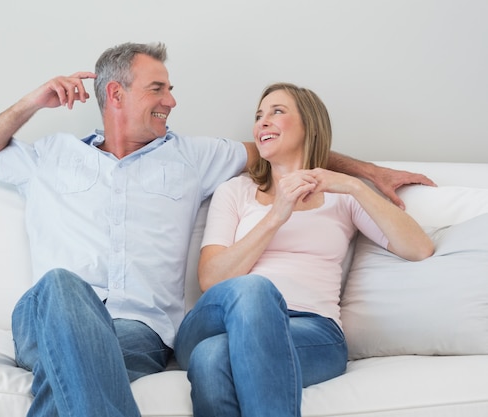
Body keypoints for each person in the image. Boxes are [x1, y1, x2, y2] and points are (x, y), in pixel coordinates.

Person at [0, 42, 434, 417]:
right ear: (116, 94)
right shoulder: (51, 155)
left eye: (169, 89)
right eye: (158, 88)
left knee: (74, 371)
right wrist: (32, 102)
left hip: (137, 333)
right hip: (49, 315)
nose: (172, 100)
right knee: (64, 286)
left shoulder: (194, 156)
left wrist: (367, 172)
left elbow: (286, 150)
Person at [174, 82, 435, 417]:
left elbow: (419, 248)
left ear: (310, 126)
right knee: (254, 289)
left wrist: (355, 185)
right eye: (259, 115)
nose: (262, 122)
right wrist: (276, 216)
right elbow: (212, 279)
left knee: (212, 358)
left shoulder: (343, 197)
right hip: (219, 318)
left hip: (312, 330)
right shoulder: (235, 191)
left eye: (277, 112)